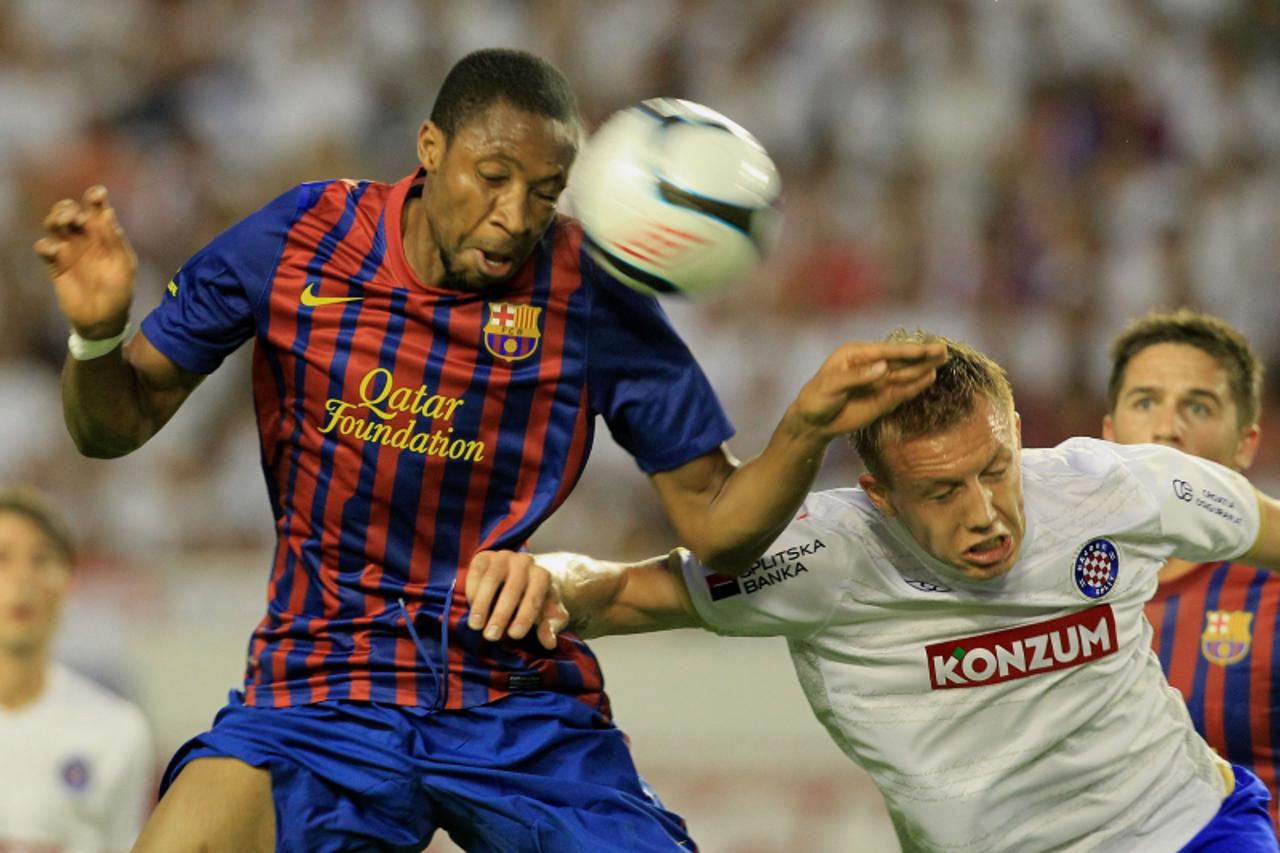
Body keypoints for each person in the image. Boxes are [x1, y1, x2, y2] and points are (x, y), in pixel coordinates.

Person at [34, 47, 945, 851]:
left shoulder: (589, 289)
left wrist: (805, 428)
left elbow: (717, 524)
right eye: (495, 176)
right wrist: (99, 336)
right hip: (319, 689)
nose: (516, 215)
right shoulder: (300, 239)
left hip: (513, 696)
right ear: (431, 149)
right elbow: (114, 425)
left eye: (545, 192)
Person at [467, 330, 1280, 852]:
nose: (984, 511)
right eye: (942, 491)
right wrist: (539, 577)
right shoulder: (823, 555)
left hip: (1192, 827)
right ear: (880, 495)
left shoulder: (1117, 488)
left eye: (996, 469)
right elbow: (617, 591)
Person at [1102, 308, 1280, 827]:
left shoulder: (1271, 592)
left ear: (1246, 442)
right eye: (1145, 401)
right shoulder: (1054, 587)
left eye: (1198, 407)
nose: (1167, 429)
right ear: (1108, 433)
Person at [0, 485, 153, 851]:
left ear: (69, 581)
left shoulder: (117, 730)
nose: (22, 578)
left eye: (41, 560)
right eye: (1, 558)